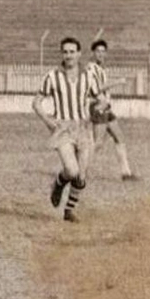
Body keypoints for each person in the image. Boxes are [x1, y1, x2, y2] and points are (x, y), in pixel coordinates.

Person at [32, 37, 101, 223]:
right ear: (61, 54)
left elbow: (98, 98)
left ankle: (68, 211)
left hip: (83, 128)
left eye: (72, 52)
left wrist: (98, 108)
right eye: (65, 52)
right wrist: (48, 120)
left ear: (79, 54)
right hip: (63, 128)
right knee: (71, 170)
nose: (68, 55)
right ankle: (59, 183)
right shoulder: (52, 76)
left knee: (81, 175)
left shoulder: (88, 75)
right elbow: (36, 102)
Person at [87, 40, 138, 181]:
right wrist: (118, 82)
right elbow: (96, 89)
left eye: (103, 51)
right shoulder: (90, 69)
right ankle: (78, 170)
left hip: (106, 107)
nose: (101, 54)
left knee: (119, 138)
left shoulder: (101, 69)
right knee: (98, 143)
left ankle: (126, 173)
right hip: (98, 107)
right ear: (93, 53)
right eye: (98, 51)